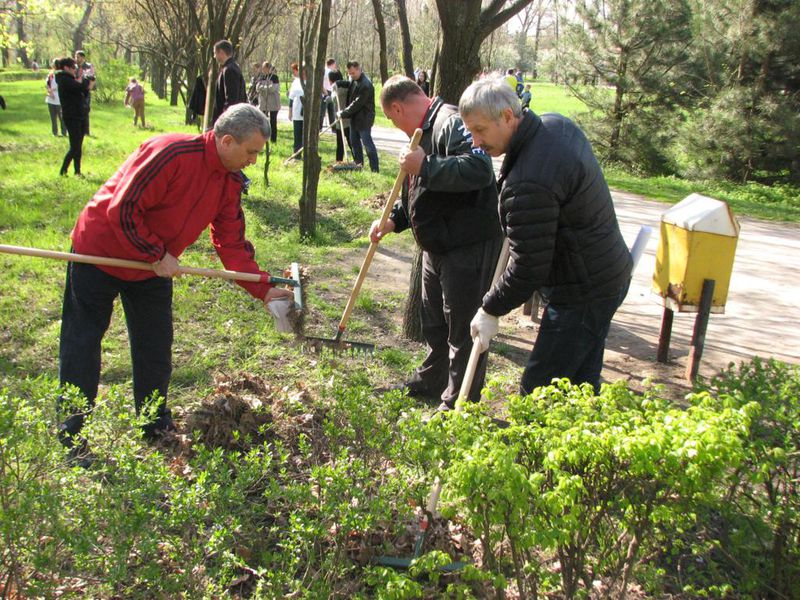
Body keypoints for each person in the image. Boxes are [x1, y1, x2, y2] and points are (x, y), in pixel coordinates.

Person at [57, 104, 293, 463]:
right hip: (100, 252)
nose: (253, 160)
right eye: (251, 152)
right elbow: (122, 209)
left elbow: (230, 241)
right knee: (82, 342)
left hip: (152, 268)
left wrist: (262, 288)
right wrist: (155, 251)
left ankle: (154, 426)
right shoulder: (171, 153)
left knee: (155, 345)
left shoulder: (228, 181)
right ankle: (72, 438)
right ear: (227, 141)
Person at [459, 77, 633, 395]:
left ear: (508, 117)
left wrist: (490, 308)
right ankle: (585, 438)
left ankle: (536, 444)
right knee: (578, 383)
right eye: (470, 131)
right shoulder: (555, 125)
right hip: (608, 272)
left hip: (584, 290)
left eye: (480, 130)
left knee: (540, 390)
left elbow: (528, 267)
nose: (475, 141)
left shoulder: (528, 182)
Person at [372, 75, 503, 411]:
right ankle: (433, 379)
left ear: (398, 108)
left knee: (462, 327)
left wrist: (425, 165)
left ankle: (461, 401)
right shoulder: (425, 132)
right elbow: (423, 193)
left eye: (391, 118)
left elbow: (479, 170)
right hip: (438, 244)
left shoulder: (451, 122)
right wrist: (394, 220)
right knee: (434, 321)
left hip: (467, 243)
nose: (395, 126)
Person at [338, 61, 379, 172]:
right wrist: (339, 83)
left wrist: (343, 113)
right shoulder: (354, 79)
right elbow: (350, 84)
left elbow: (357, 103)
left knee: (367, 144)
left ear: (358, 69)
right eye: (349, 73)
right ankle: (358, 166)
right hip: (354, 118)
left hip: (364, 119)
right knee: (354, 143)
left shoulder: (366, 85)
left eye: (353, 73)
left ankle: (375, 169)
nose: (351, 75)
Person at [56, 56, 94, 176]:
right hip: (71, 116)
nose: (75, 69)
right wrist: (84, 82)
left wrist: (88, 85)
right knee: (75, 146)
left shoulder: (71, 79)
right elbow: (79, 87)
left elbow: (82, 92)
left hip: (80, 114)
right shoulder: (64, 80)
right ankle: (63, 170)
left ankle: (77, 171)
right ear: (66, 68)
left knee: (79, 145)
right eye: (73, 67)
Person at [210, 39, 247, 127]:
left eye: (215, 53)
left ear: (221, 52)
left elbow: (231, 98)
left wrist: (224, 120)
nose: (214, 56)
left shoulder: (229, 70)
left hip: (230, 120)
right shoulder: (231, 67)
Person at [329, 68, 353, 162]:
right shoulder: (345, 87)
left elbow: (336, 99)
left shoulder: (338, 89)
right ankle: (339, 161)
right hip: (340, 120)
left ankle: (357, 162)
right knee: (341, 143)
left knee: (349, 143)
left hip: (345, 120)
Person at [256, 62, 281, 143]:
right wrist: (266, 88)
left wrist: (263, 88)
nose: (262, 70)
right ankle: (263, 139)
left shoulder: (274, 77)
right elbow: (257, 88)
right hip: (263, 103)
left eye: (264, 68)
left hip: (274, 103)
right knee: (262, 122)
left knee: (273, 122)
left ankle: (273, 140)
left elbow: (273, 88)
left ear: (268, 68)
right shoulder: (261, 77)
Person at [74, 51, 95, 136]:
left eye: (78, 57)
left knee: (85, 110)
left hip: (85, 91)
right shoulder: (74, 67)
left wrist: (90, 87)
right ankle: (77, 130)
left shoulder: (88, 66)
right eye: (75, 56)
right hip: (75, 90)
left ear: (83, 58)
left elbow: (92, 77)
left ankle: (86, 131)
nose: (76, 58)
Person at [45, 59, 66, 137]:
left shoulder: (62, 74)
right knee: (53, 117)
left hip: (59, 98)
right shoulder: (50, 74)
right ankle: (55, 133)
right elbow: (47, 84)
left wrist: (54, 90)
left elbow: (62, 85)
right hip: (50, 98)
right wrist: (50, 91)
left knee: (62, 117)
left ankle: (64, 132)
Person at [288, 62, 304, 156]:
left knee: (305, 136)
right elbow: (291, 98)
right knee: (297, 134)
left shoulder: (311, 81)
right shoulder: (296, 82)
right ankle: (297, 154)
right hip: (297, 112)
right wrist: (290, 112)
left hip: (307, 113)